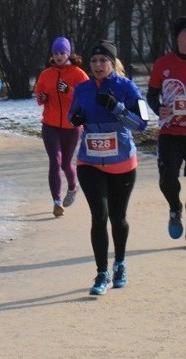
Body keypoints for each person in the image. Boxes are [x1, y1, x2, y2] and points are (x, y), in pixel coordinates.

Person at [68, 39, 149, 295]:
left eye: (103, 60)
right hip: (89, 161)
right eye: (94, 61)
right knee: (99, 216)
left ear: (112, 63)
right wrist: (76, 119)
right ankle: (101, 272)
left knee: (118, 217)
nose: (98, 65)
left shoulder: (127, 87)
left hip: (122, 162)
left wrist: (117, 107)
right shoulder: (82, 88)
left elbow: (142, 124)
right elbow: (73, 116)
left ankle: (120, 265)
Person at [33, 36, 89, 217]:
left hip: (71, 126)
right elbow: (39, 94)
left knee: (66, 163)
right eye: (55, 53)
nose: (58, 56)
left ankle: (73, 186)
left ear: (68, 54)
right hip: (50, 125)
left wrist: (69, 91)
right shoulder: (46, 74)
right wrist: (41, 97)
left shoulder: (78, 74)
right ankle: (56, 202)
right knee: (55, 162)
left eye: (62, 53)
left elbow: (86, 98)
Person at [147, 16, 186, 239]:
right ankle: (175, 207)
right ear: (177, 37)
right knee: (167, 180)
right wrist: (158, 108)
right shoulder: (163, 64)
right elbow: (151, 95)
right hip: (170, 132)